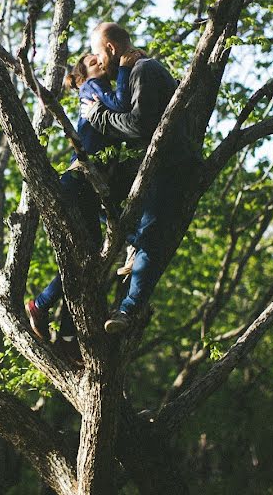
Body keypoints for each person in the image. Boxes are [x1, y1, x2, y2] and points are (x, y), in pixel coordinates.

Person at [26, 49, 144, 343]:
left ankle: (67, 337)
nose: (100, 62)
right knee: (85, 261)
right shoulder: (92, 87)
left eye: (99, 58)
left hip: (90, 186)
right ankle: (40, 305)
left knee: (87, 264)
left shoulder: (99, 88)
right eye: (93, 62)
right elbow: (123, 105)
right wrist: (127, 71)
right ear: (81, 78)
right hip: (80, 181)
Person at [84, 22, 194, 334]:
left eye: (97, 53)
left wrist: (98, 117)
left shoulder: (143, 70)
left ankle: (128, 311)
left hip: (169, 166)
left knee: (151, 239)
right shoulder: (131, 74)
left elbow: (140, 124)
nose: (97, 60)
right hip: (150, 168)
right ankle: (132, 246)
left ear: (109, 48)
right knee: (111, 215)